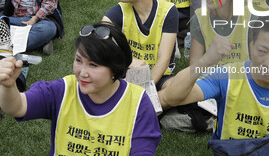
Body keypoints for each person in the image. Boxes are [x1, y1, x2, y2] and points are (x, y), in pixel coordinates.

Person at [159, 14, 269, 155]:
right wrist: (205, 60)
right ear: (251, 46)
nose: (268, 63)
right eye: (261, 51)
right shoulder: (227, 76)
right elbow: (172, 97)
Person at [0, 21, 162, 155]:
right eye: (78, 60)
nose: (82, 72)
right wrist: (8, 85)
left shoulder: (139, 103)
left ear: (115, 68)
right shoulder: (63, 90)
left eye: (93, 65)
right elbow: (18, 107)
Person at [103, 0, 178, 90]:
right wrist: (130, 61)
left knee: (176, 89)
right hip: (128, 72)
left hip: (159, 74)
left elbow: (164, 59)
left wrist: (146, 89)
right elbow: (99, 43)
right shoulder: (118, 11)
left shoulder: (168, 11)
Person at [190, 0, 252, 65]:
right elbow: (194, 64)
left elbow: (261, 65)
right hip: (211, 78)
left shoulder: (251, 18)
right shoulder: (199, 17)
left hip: (244, 77)